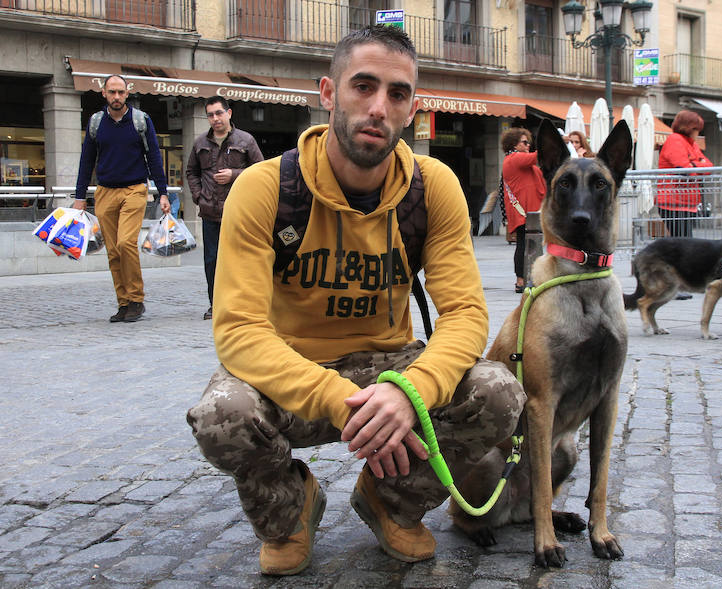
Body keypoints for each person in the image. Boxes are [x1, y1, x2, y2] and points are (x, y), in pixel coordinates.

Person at [185, 25, 524, 576]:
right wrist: (344, 399)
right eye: (362, 86)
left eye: (396, 93)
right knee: (224, 415)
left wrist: (409, 392)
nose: (378, 107)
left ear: (412, 108)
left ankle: (390, 500)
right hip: (292, 369)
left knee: (498, 394)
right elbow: (239, 331)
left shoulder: (432, 186)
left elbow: (464, 314)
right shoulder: (264, 188)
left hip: (391, 364)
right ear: (327, 93)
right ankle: (290, 511)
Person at [73, 74, 170, 323]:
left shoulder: (140, 120)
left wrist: (162, 192)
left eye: (121, 92)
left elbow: (154, 158)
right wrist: (80, 196)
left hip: (135, 189)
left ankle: (136, 299)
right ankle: (123, 303)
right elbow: (86, 161)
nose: (117, 97)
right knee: (114, 251)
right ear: (103, 93)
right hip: (105, 191)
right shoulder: (96, 123)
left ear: (127, 94)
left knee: (126, 242)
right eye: (112, 92)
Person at [185, 96, 264, 320]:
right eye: (210, 115)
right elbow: (191, 171)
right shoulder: (200, 142)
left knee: (241, 260)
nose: (215, 118)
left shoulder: (246, 140)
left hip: (238, 210)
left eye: (219, 113)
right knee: (212, 261)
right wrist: (199, 196)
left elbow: (261, 170)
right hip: (210, 211)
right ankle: (216, 305)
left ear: (228, 113)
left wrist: (234, 174)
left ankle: (242, 305)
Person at [500, 126, 546, 292]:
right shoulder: (514, 158)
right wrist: (554, 143)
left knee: (529, 244)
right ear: (514, 144)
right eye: (525, 142)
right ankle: (521, 280)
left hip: (530, 210)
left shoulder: (520, 161)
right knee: (523, 244)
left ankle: (528, 277)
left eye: (529, 143)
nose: (528, 146)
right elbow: (538, 156)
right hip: (523, 211)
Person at [656, 109, 713, 238]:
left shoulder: (691, 143)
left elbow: (709, 167)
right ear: (689, 128)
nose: (698, 133)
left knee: (683, 241)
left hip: (685, 202)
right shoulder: (675, 140)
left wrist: (693, 165)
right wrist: (697, 165)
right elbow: (684, 169)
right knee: (683, 242)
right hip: (673, 202)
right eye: (696, 129)